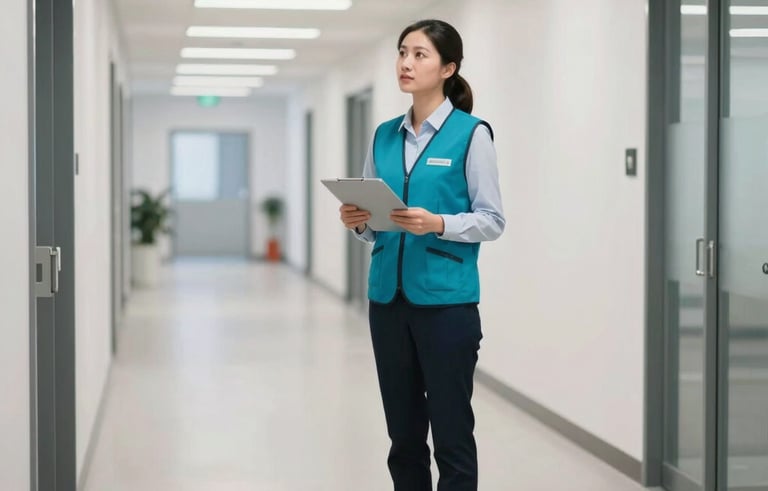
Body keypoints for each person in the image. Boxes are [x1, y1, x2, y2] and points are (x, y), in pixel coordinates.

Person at [339, 19, 505, 491]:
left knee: (452, 436)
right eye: (402, 52)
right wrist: (360, 222)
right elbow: (376, 224)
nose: (406, 63)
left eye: (420, 55)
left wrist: (440, 223)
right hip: (387, 303)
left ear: (448, 68)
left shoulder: (472, 135)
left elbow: (492, 219)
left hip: (446, 306)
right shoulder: (383, 135)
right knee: (404, 438)